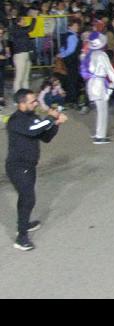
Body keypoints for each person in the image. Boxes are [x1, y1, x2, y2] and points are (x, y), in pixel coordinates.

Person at [6, 88, 67, 251]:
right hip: (17, 167)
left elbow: (45, 136)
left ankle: (24, 224)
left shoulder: (32, 117)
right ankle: (21, 237)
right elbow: (33, 130)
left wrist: (56, 124)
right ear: (22, 103)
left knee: (26, 198)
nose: (36, 103)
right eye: (32, 101)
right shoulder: (15, 120)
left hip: (29, 166)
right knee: (28, 199)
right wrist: (51, 118)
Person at [83, 31, 114, 145]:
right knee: (103, 110)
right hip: (99, 84)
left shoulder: (89, 54)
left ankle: (99, 133)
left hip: (91, 82)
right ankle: (100, 136)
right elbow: (109, 70)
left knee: (99, 109)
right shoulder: (102, 55)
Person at [57, 18, 82, 109]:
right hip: (72, 61)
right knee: (73, 80)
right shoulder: (72, 36)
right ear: (70, 26)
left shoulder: (66, 35)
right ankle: (73, 99)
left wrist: (61, 54)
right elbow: (70, 50)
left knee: (70, 80)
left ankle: (69, 99)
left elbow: (63, 48)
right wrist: (62, 55)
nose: (77, 27)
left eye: (77, 26)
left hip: (68, 61)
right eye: (75, 26)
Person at [9, 16, 35, 93]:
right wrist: (34, 18)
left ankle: (26, 95)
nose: (25, 21)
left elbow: (29, 28)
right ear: (18, 22)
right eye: (23, 20)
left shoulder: (22, 30)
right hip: (20, 55)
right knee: (19, 77)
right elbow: (30, 28)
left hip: (27, 54)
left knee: (25, 77)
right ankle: (17, 97)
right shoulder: (15, 30)